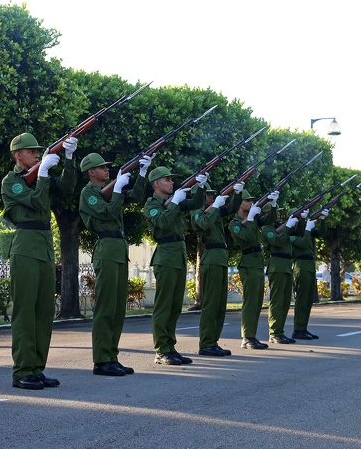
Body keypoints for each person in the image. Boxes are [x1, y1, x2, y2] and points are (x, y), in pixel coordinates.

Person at [1, 133, 77, 390]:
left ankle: (37, 368)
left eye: (38, 151)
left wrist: (68, 158)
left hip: (44, 247)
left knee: (44, 312)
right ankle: (22, 370)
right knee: (25, 312)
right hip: (25, 248)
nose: (36, 154)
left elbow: (67, 187)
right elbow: (38, 201)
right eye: (31, 151)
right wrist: (43, 173)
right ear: (18, 155)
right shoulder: (11, 182)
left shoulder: (38, 175)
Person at [79, 152, 151, 376]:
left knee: (119, 308)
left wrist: (141, 172)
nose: (106, 169)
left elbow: (138, 195)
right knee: (106, 307)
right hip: (107, 249)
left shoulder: (110, 191)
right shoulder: (88, 194)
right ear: (92, 172)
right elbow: (108, 212)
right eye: (102, 167)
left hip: (119, 249)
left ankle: (112, 356)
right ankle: (101, 360)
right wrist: (118, 188)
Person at [143, 167, 206, 365]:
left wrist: (200, 185)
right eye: (167, 179)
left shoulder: (174, 202)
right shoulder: (151, 204)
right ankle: (161, 350)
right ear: (156, 184)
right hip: (166, 256)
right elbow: (162, 221)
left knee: (175, 306)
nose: (171, 182)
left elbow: (196, 202)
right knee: (164, 306)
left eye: (172, 180)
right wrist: (175, 202)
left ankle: (170, 347)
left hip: (177, 256)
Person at [191, 182, 243, 356]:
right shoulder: (196, 213)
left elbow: (233, 207)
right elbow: (204, 224)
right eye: (208, 195)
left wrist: (237, 193)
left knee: (221, 305)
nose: (211, 197)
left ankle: (213, 341)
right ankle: (205, 343)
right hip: (211, 259)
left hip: (220, 259)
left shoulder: (214, 211)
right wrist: (215, 207)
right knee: (211, 304)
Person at [228, 190, 278, 350]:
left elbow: (269, 220)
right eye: (247, 200)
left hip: (257, 263)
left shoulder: (254, 219)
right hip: (248, 263)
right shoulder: (234, 224)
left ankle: (252, 336)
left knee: (257, 302)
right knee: (250, 302)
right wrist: (250, 219)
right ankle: (247, 337)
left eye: (252, 200)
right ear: (239, 203)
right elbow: (248, 237)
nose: (251, 203)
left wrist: (274, 204)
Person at [262, 207, 304, 344]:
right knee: (277, 302)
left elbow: (299, 232)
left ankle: (280, 332)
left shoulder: (278, 227)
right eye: (276, 212)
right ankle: (274, 332)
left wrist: (301, 218)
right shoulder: (267, 228)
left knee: (285, 302)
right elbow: (277, 241)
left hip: (286, 266)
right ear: (268, 214)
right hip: (277, 266)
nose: (278, 214)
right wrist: (287, 226)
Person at [291, 209, 328, 341]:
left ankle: (303, 328)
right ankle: (297, 329)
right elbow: (303, 243)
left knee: (308, 300)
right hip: (301, 266)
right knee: (302, 300)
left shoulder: (307, 232)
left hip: (310, 266)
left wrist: (323, 219)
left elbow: (321, 232)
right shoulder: (291, 234)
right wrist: (306, 228)